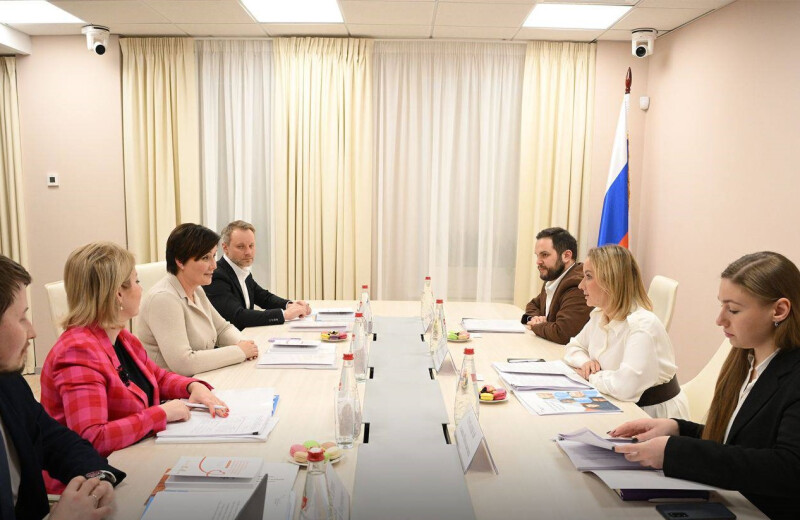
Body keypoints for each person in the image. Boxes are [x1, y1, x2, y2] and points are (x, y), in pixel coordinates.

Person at [611, 252, 800, 520]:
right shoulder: (745, 358)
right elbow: (739, 440)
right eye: (722, 306)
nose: (720, 320)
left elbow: (788, 469)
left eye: (733, 310)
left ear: (779, 310)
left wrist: (674, 452)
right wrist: (677, 428)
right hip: (733, 500)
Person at [41, 242, 227, 471]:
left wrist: (191, 386)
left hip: (134, 456)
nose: (141, 289)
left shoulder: (120, 337)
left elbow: (157, 377)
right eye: (137, 281)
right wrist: (160, 414)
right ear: (118, 294)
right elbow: (92, 438)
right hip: (93, 479)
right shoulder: (78, 352)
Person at [0, 254, 125, 520]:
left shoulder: (8, 382)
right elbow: (95, 433)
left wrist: (97, 477)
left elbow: (54, 440)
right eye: (21, 318)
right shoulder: (78, 347)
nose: (32, 331)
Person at [563, 245, 689, 419]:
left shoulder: (642, 326)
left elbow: (625, 388)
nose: (581, 285)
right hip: (615, 403)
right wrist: (585, 363)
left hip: (652, 416)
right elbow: (573, 347)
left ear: (611, 281)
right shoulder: (600, 315)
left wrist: (591, 377)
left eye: (588, 277)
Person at [138, 224, 259, 376]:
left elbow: (222, 329)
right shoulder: (163, 299)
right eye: (205, 258)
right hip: (172, 387)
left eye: (214, 256)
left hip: (200, 378)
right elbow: (184, 363)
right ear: (180, 261)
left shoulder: (197, 290)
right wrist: (239, 351)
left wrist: (244, 344)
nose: (214, 265)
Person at [205, 220, 311, 330]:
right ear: (225, 248)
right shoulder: (216, 275)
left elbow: (264, 298)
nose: (248, 252)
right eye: (241, 247)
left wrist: (290, 305)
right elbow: (237, 316)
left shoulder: (242, 271)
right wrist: (284, 314)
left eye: (251, 245)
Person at [520, 228, 592, 345]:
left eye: (544, 255)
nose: (538, 262)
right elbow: (533, 305)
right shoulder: (553, 277)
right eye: (537, 256)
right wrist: (535, 318)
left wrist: (536, 325)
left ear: (566, 256)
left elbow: (563, 333)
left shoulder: (578, 285)